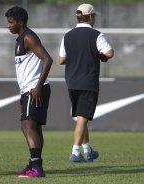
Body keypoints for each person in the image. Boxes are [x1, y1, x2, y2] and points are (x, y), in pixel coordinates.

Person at [58, 4, 114, 163]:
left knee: (81, 118)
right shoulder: (96, 35)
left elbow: (61, 59)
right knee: (83, 117)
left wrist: (77, 55)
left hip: (71, 81)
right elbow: (109, 53)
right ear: (90, 17)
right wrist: (94, 54)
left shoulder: (67, 36)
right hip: (88, 81)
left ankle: (88, 151)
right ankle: (75, 152)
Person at [5, 6, 53, 178]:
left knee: (27, 126)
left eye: (11, 22)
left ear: (20, 22)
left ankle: (37, 168)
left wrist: (38, 87)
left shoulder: (28, 37)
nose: (8, 25)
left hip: (35, 89)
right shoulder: (20, 39)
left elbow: (48, 60)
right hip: (29, 90)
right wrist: (22, 94)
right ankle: (34, 164)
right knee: (35, 128)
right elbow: (26, 70)